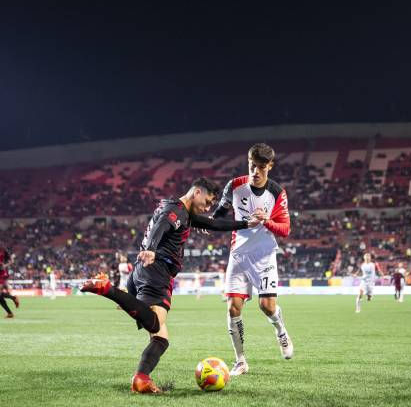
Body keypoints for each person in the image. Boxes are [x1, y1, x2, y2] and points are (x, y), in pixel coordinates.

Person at [81, 177, 262, 394]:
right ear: (197, 192)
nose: (208, 206)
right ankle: (107, 288)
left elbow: (212, 223)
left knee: (160, 338)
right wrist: (151, 249)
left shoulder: (179, 211)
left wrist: (245, 223)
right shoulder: (176, 212)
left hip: (143, 272)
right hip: (157, 270)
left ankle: (141, 379)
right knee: (157, 325)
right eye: (208, 200)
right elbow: (162, 225)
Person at [212, 143, 293, 376]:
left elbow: (285, 229)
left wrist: (267, 220)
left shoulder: (277, 192)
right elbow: (221, 211)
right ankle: (241, 361)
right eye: (251, 166)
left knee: (266, 307)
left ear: (270, 166)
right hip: (238, 254)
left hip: (264, 255)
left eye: (260, 167)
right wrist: (210, 223)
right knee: (232, 308)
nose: (255, 172)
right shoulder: (235, 186)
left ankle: (281, 331)